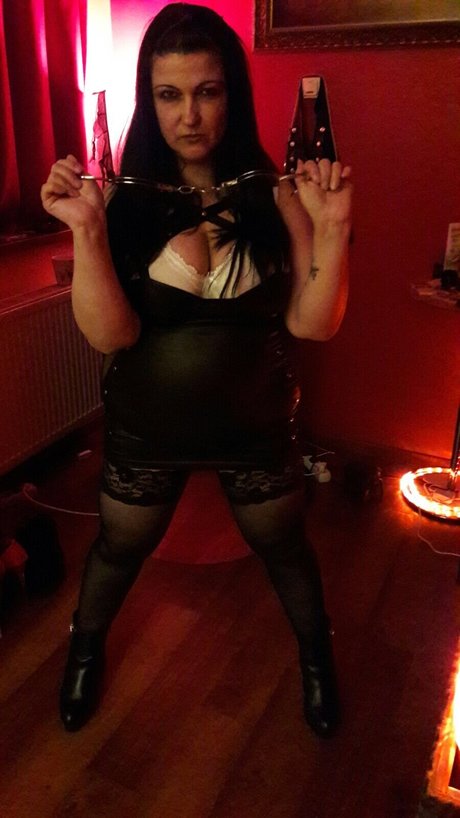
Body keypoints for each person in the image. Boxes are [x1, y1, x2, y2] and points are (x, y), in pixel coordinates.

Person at [41, 2, 352, 738]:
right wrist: (87, 230)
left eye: (207, 91)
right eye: (169, 94)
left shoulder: (277, 194)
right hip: (148, 427)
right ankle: (85, 650)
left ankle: (317, 658)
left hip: (255, 424)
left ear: (231, 94)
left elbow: (314, 323)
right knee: (119, 549)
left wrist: (335, 229)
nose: (189, 115)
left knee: (285, 548)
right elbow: (112, 334)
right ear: (149, 101)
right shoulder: (122, 202)